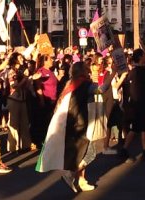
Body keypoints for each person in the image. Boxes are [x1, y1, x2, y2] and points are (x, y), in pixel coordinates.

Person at [37, 61, 99, 193]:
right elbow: (101, 89)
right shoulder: (85, 85)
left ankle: (81, 180)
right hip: (80, 124)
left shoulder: (70, 84)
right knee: (89, 153)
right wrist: (115, 73)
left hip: (72, 124)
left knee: (82, 152)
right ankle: (70, 174)